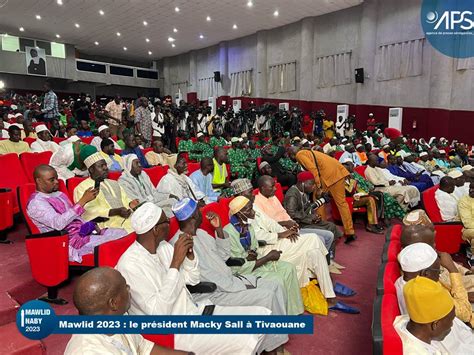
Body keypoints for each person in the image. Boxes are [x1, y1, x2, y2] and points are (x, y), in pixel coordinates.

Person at [116, 202, 279, 354]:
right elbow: (159, 313)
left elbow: (192, 280)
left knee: (261, 315)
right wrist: (175, 264)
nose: (170, 225)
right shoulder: (130, 265)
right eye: (166, 222)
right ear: (155, 229)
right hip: (174, 330)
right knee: (246, 335)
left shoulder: (163, 247)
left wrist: (190, 258)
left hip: (194, 311)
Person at [169, 198, 289, 344]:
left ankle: (277, 339)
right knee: (267, 296)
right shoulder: (177, 244)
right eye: (199, 212)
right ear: (194, 216)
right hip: (213, 292)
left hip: (230, 280)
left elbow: (224, 255)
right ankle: (274, 347)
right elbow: (191, 279)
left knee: (275, 286)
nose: (202, 213)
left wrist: (219, 229)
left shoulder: (201, 233)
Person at [64, 267, 189, 355]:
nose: (129, 288)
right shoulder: (89, 351)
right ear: (114, 303)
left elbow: (144, 348)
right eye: (125, 287)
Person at [27, 165, 127, 263]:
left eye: (57, 178)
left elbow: (75, 218)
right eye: (51, 180)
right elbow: (58, 224)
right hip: (68, 243)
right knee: (111, 244)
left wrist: (90, 226)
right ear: (39, 181)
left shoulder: (59, 194)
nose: (57, 182)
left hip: (83, 233)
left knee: (123, 234)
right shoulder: (36, 203)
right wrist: (82, 201)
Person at [400, 225, 474, 327]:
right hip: (461, 316)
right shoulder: (423, 288)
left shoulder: (412, 266)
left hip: (456, 294)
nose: (435, 246)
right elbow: (465, 314)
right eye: (431, 244)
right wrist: (452, 269)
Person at [254, 175, 337, 260]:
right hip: (282, 234)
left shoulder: (273, 197)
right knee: (320, 239)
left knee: (329, 235)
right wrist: (287, 224)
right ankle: (321, 263)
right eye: (272, 186)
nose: (276, 189)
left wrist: (292, 223)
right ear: (263, 188)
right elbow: (267, 226)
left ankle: (327, 262)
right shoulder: (257, 204)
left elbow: (285, 213)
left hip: (293, 227)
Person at [290, 146, 356, 243]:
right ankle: (350, 232)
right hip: (338, 172)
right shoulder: (308, 152)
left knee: (318, 200)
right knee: (342, 204)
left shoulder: (299, 155)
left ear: (292, 154)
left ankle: (323, 228)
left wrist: (318, 186)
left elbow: (313, 169)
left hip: (327, 176)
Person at [393, 276, 474, 354]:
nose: (452, 325)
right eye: (451, 320)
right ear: (435, 324)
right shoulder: (416, 351)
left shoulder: (409, 323)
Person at [73, 150, 139, 233]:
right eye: (101, 166)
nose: (105, 168)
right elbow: (88, 212)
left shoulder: (113, 183)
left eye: (105, 165)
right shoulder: (82, 187)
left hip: (127, 219)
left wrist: (131, 204)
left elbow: (125, 199)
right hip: (106, 225)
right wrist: (115, 211)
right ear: (91, 170)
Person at [341, 159, 384, 233]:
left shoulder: (350, 176)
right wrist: (352, 180)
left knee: (375, 196)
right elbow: (349, 191)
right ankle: (371, 225)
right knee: (370, 199)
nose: (353, 167)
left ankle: (374, 222)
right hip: (348, 201)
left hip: (354, 198)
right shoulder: (341, 179)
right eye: (350, 166)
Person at [457, 181, 474, 266]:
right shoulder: (463, 201)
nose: (471, 190)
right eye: (471, 188)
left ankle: (472, 257)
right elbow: (467, 222)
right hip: (467, 229)